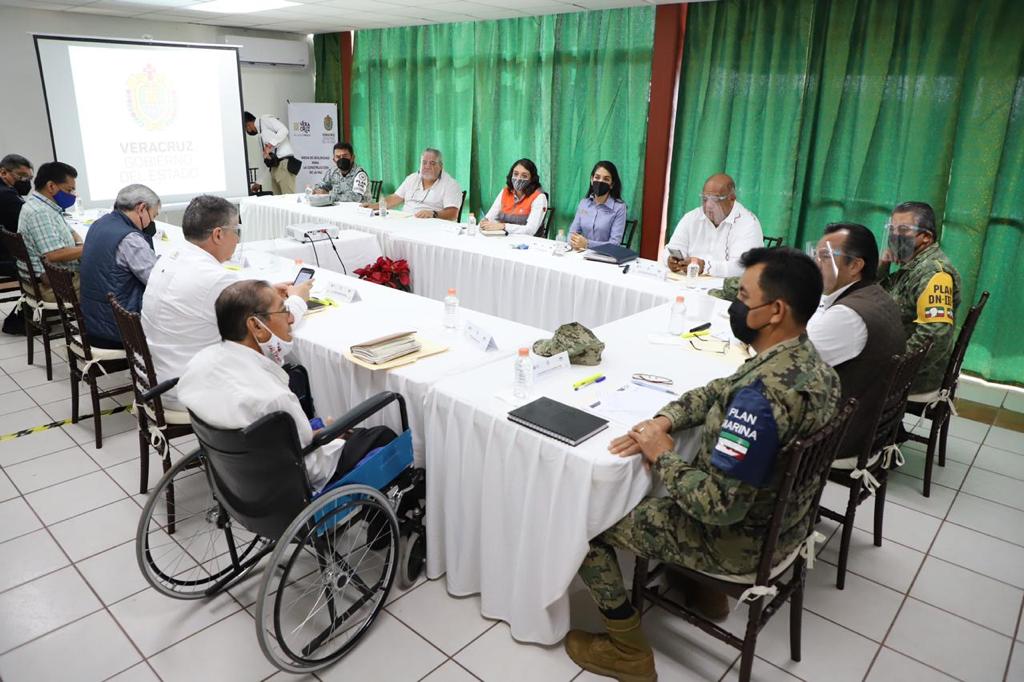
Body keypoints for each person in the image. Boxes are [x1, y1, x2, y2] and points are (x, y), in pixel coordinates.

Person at [565, 247, 840, 682]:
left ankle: (627, 649)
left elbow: (718, 505)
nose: (734, 304)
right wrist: (668, 418)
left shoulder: (759, 400)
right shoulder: (810, 366)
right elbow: (719, 389)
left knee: (586, 519)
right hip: (786, 525)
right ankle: (704, 593)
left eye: (744, 297)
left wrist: (663, 455)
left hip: (735, 541)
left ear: (775, 311)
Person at [141, 195, 311, 410]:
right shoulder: (215, 279)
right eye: (235, 230)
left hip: (157, 376)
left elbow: (208, 292)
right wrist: (298, 299)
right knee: (288, 375)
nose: (237, 240)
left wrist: (262, 291)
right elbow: (274, 330)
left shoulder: (171, 255)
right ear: (219, 234)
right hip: (187, 386)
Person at [177, 280, 342, 491]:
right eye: (284, 312)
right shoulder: (273, 399)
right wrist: (331, 439)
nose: (291, 320)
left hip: (235, 479)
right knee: (380, 435)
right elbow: (313, 469)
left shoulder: (199, 364)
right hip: (287, 485)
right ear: (256, 325)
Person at [807, 223, 905, 460]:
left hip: (839, 434)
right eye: (815, 255)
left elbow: (793, 362)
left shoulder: (847, 316)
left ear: (855, 265)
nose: (815, 264)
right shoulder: (874, 294)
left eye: (825, 257)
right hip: (869, 423)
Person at [878, 201, 961, 400]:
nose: (895, 236)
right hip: (898, 362)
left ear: (926, 237)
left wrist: (895, 369)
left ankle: (875, 429)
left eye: (904, 230)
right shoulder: (914, 265)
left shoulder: (933, 274)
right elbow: (879, 299)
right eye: (892, 229)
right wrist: (883, 265)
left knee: (844, 377)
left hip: (916, 377)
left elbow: (935, 336)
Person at [79, 184, 161, 349]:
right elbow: (156, 282)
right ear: (141, 208)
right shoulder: (130, 239)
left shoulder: (100, 224)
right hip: (118, 329)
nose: (152, 222)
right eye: (153, 215)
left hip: (93, 320)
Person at [665, 173, 763, 277]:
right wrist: (670, 260)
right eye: (705, 199)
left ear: (732, 198)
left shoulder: (748, 223)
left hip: (727, 289)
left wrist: (706, 267)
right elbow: (670, 249)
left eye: (715, 199)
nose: (708, 205)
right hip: (689, 282)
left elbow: (742, 267)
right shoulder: (692, 217)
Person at [17, 161, 82, 301]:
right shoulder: (40, 212)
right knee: (112, 287)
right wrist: (89, 248)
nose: (73, 195)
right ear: (51, 186)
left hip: (55, 278)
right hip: (54, 286)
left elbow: (71, 231)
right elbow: (53, 255)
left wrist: (80, 244)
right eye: (69, 190)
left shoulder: (46, 206)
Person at [365, 148, 463, 220]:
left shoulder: (451, 184)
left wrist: (433, 214)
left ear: (441, 166)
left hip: (432, 227)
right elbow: (395, 198)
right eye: (424, 162)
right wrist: (373, 206)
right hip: (405, 222)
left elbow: (453, 213)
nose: (427, 166)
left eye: (432, 163)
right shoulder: (412, 178)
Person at [0, 154, 33, 334]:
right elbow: (28, 224)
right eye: (21, 177)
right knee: (43, 264)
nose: (25, 181)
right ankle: (18, 320)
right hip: (4, 259)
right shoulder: (6, 195)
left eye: (28, 178)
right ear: (3, 172)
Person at [568, 161, 627, 250]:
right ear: (592, 180)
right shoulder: (584, 203)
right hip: (581, 254)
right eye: (597, 177)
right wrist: (573, 241)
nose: (600, 182)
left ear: (612, 184)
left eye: (606, 179)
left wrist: (587, 244)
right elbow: (572, 233)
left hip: (605, 257)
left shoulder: (619, 207)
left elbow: (614, 244)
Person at [480, 158, 548, 235]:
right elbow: (489, 218)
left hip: (529, 243)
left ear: (532, 179)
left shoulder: (539, 197)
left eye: (524, 176)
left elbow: (530, 230)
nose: (518, 178)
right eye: (515, 174)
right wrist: (484, 223)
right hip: (503, 239)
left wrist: (503, 226)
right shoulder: (505, 192)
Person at [244, 111, 299, 195]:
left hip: (284, 165)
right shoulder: (260, 136)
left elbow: (284, 130)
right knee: (277, 203)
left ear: (248, 124)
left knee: (289, 201)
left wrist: (270, 145)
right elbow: (264, 158)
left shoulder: (265, 119)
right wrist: (259, 182)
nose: (247, 131)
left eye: (246, 129)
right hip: (274, 168)